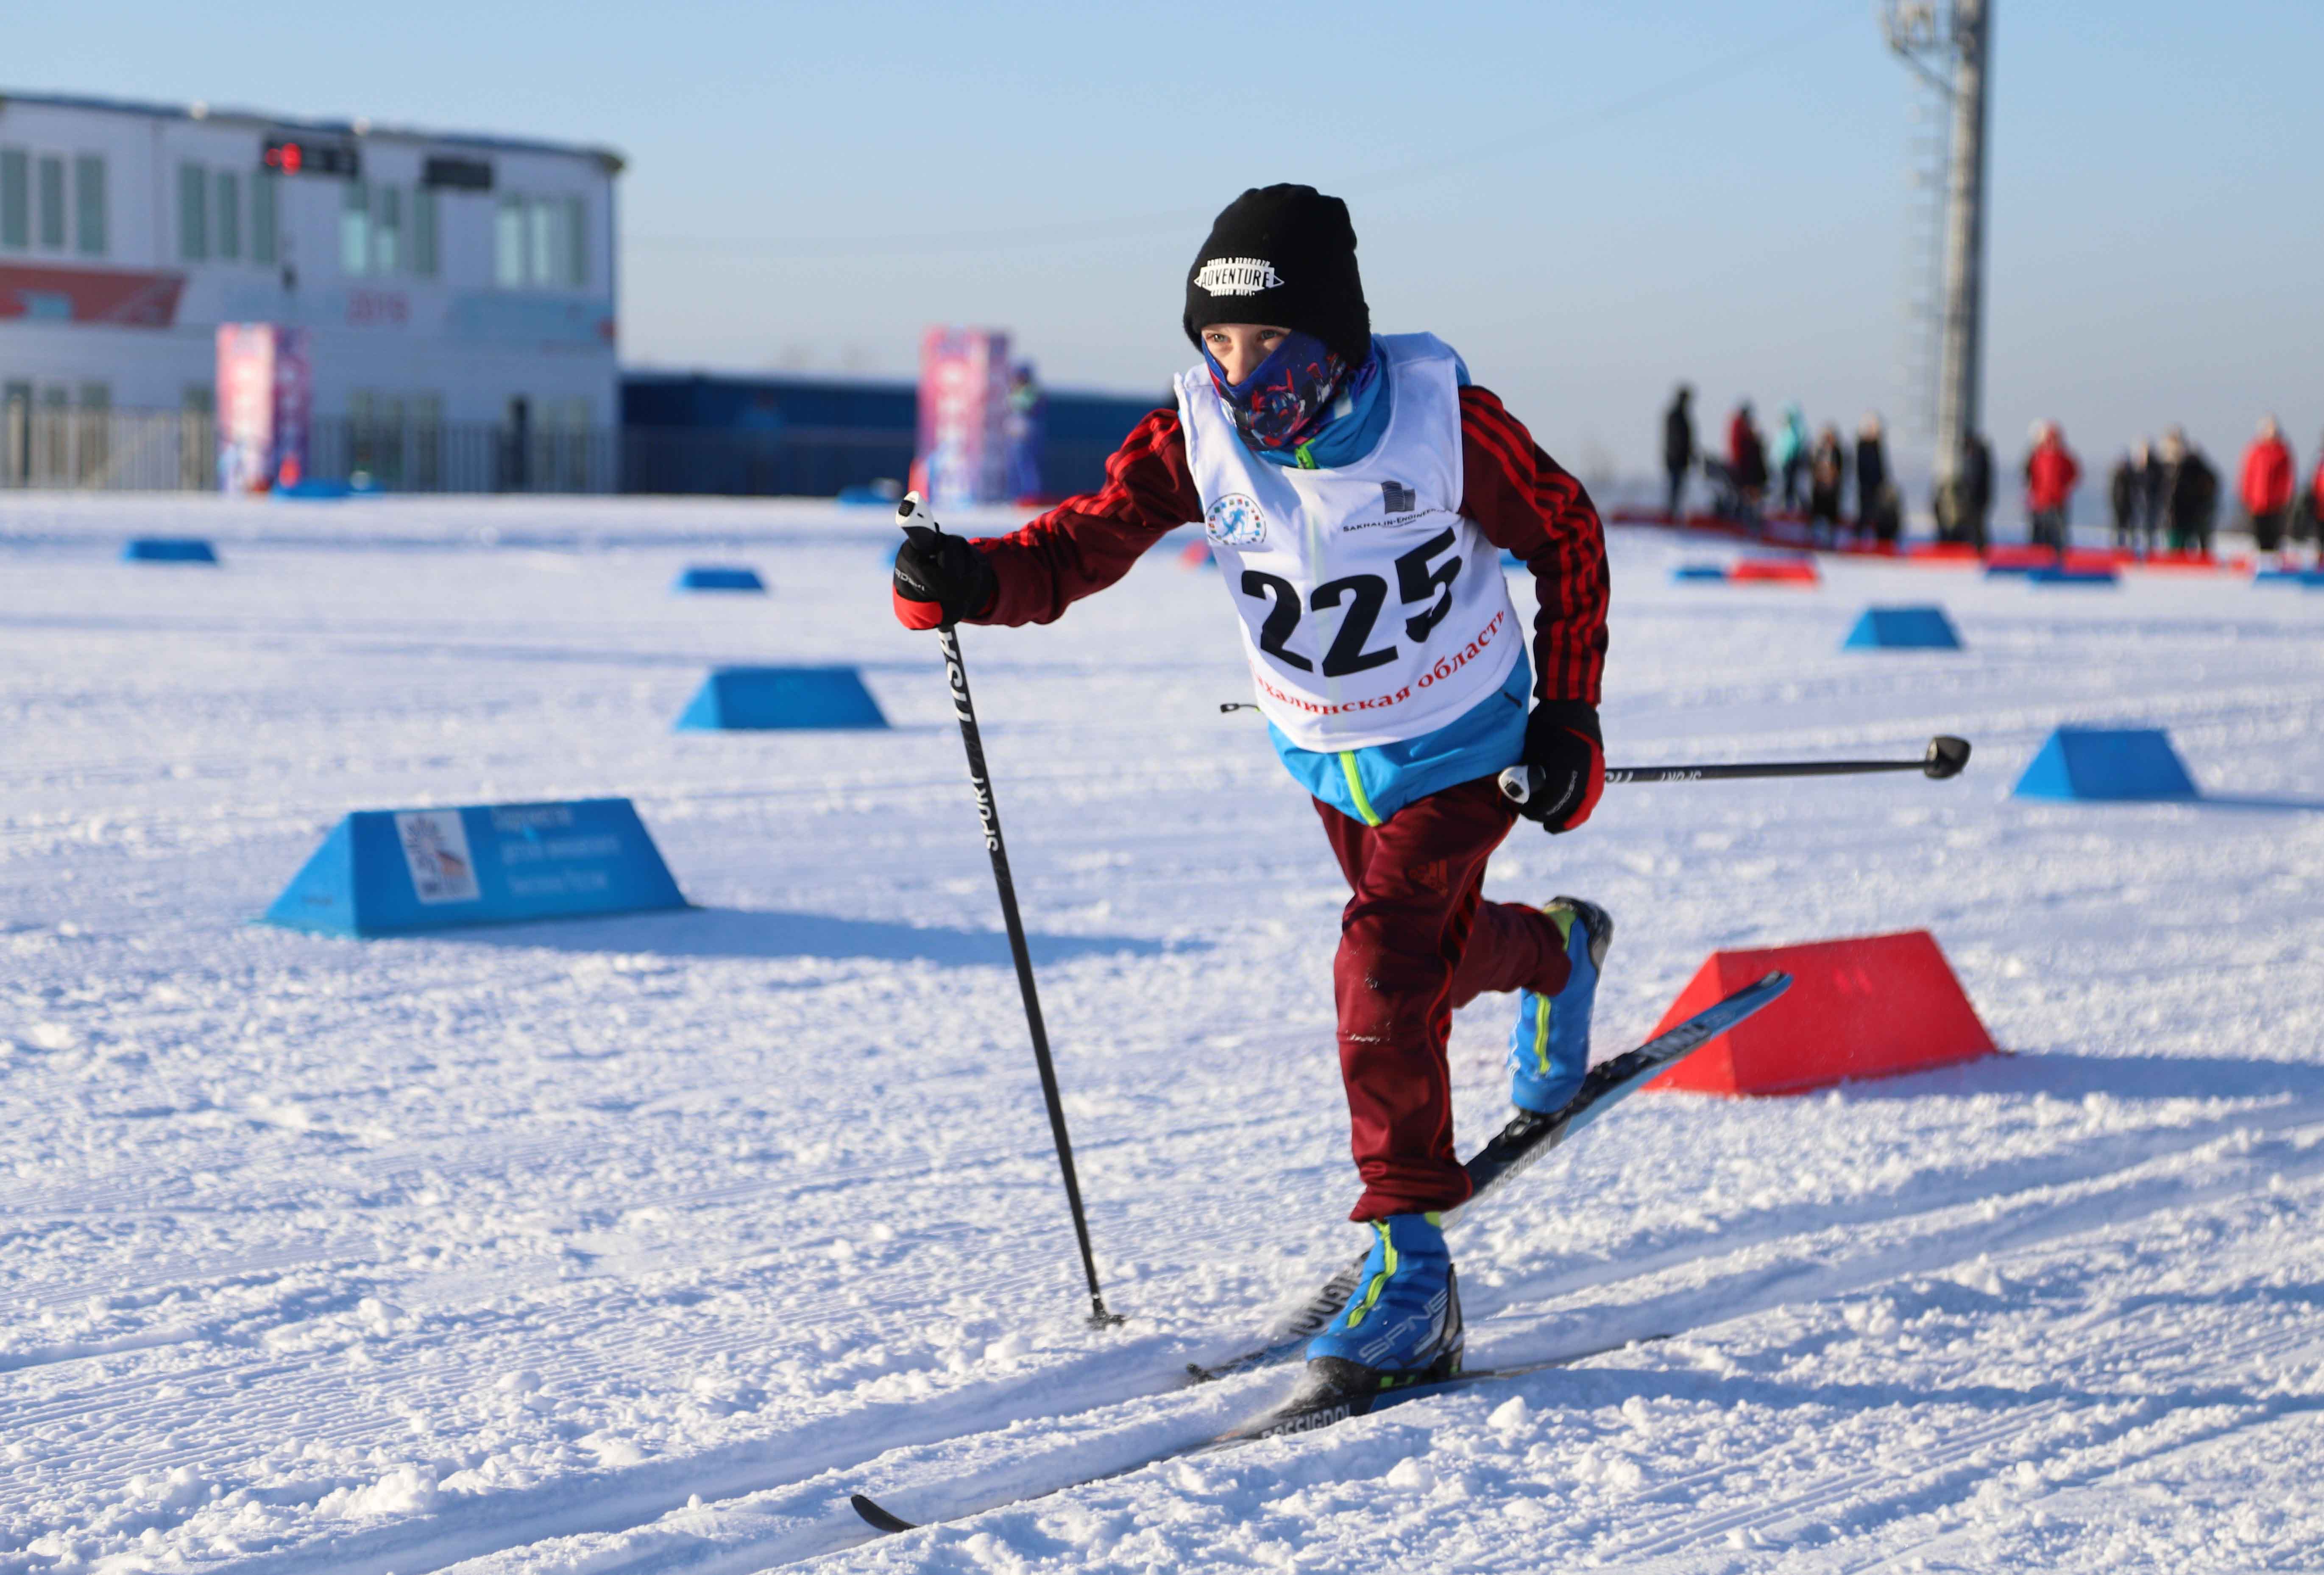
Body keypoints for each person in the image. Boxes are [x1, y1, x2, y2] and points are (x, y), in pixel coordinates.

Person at [890, 185, 1611, 1399]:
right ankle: (1553, 953)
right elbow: (1081, 542)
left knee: (1380, 963)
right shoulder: (1196, 439)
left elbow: (1569, 534)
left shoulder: (1444, 424)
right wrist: (970, 578)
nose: (1242, 371)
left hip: (1461, 738)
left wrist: (1569, 711)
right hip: (1331, 755)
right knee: (1415, 958)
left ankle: (1415, 1273)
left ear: (1337, 331)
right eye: (1218, 345)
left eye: (1270, 342)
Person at [2157, 427, 2220, 555]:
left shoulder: (2193, 467)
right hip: (2173, 520)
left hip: (2191, 518)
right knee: (2175, 552)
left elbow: (2209, 487)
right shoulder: (2163, 469)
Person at [2240, 416, 2296, 557]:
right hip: (2257, 503)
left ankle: (2274, 569)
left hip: (2276, 504)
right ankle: (2263, 565)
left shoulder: (2283, 452)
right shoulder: (2255, 451)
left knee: (2274, 537)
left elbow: (2288, 478)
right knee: (2260, 537)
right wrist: (2247, 497)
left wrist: (2286, 498)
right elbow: (2248, 475)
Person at [2023, 420, 2081, 553]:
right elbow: (2029, 475)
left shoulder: (2064, 457)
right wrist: (2034, 491)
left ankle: (2058, 559)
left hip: (2058, 502)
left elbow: (2074, 474)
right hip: (2040, 502)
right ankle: (2037, 558)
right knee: (2039, 535)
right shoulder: (2037, 456)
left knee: (2058, 535)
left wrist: (2063, 488)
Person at [1853, 413, 1892, 546]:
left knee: (1878, 514)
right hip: (1865, 485)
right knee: (1864, 512)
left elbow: (1881, 466)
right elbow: (1861, 467)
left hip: (1877, 486)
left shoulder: (1878, 446)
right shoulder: (1863, 445)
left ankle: (1878, 541)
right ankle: (1858, 539)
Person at [1807, 424, 1847, 547]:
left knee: (1831, 518)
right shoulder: (1818, 451)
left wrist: (1831, 477)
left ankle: (1830, 540)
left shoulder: (1837, 452)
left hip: (1832, 491)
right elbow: (1813, 469)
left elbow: (1840, 470)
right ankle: (1816, 539)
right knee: (1818, 516)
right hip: (1820, 490)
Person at [1728, 401, 1767, 523]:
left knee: (1749, 494)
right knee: (1747, 494)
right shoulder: (1740, 427)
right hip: (1745, 468)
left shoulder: (1741, 427)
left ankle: (1749, 516)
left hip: (1749, 469)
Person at [1663, 385, 1695, 521]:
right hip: (1675, 459)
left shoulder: (1680, 415)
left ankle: (1674, 512)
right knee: (1674, 488)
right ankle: (1671, 514)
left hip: (1679, 459)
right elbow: (1677, 439)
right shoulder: (1676, 416)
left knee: (1678, 488)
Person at [1772, 404, 1809, 513]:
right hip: (1784, 463)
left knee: (1792, 485)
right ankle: (1786, 506)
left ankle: (1791, 507)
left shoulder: (1795, 432)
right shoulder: (1785, 432)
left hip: (1791, 462)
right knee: (1785, 485)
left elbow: (1794, 448)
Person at [2109, 444, 2146, 552]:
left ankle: (2131, 550)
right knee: (2118, 529)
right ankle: (2118, 549)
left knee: (2131, 529)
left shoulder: (2133, 475)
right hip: (2119, 507)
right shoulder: (2117, 476)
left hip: (2130, 506)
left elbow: (2137, 490)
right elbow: (2114, 493)